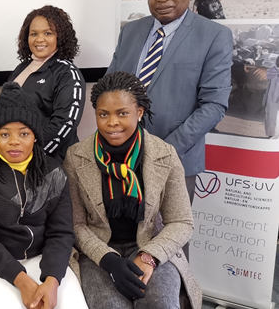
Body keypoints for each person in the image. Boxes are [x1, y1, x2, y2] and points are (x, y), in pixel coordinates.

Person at [64, 72, 201, 309]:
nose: (112, 122)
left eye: (122, 113)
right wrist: (108, 260)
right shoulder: (76, 157)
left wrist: (149, 257)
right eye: (103, 114)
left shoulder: (165, 154)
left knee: (162, 305)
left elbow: (181, 221)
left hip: (151, 245)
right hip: (98, 252)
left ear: (139, 113)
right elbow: (75, 224)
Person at [107, 0, 233, 203]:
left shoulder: (214, 36)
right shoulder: (130, 31)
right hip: (120, 158)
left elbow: (214, 106)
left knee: (170, 238)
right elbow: (109, 89)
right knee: (121, 235)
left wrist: (162, 152)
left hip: (175, 160)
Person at [0, 82, 87, 309]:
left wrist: (51, 280)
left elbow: (61, 233)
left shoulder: (53, 172)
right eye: (4, 134)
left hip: (45, 259)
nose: (14, 141)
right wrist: (22, 281)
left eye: (24, 133)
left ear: (35, 136)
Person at [8, 5, 85, 162]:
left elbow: (64, 124)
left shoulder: (67, 73)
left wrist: (33, 155)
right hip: (16, 159)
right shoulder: (21, 69)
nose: (39, 39)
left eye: (48, 33)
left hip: (50, 163)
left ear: (60, 37)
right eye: (34, 34)